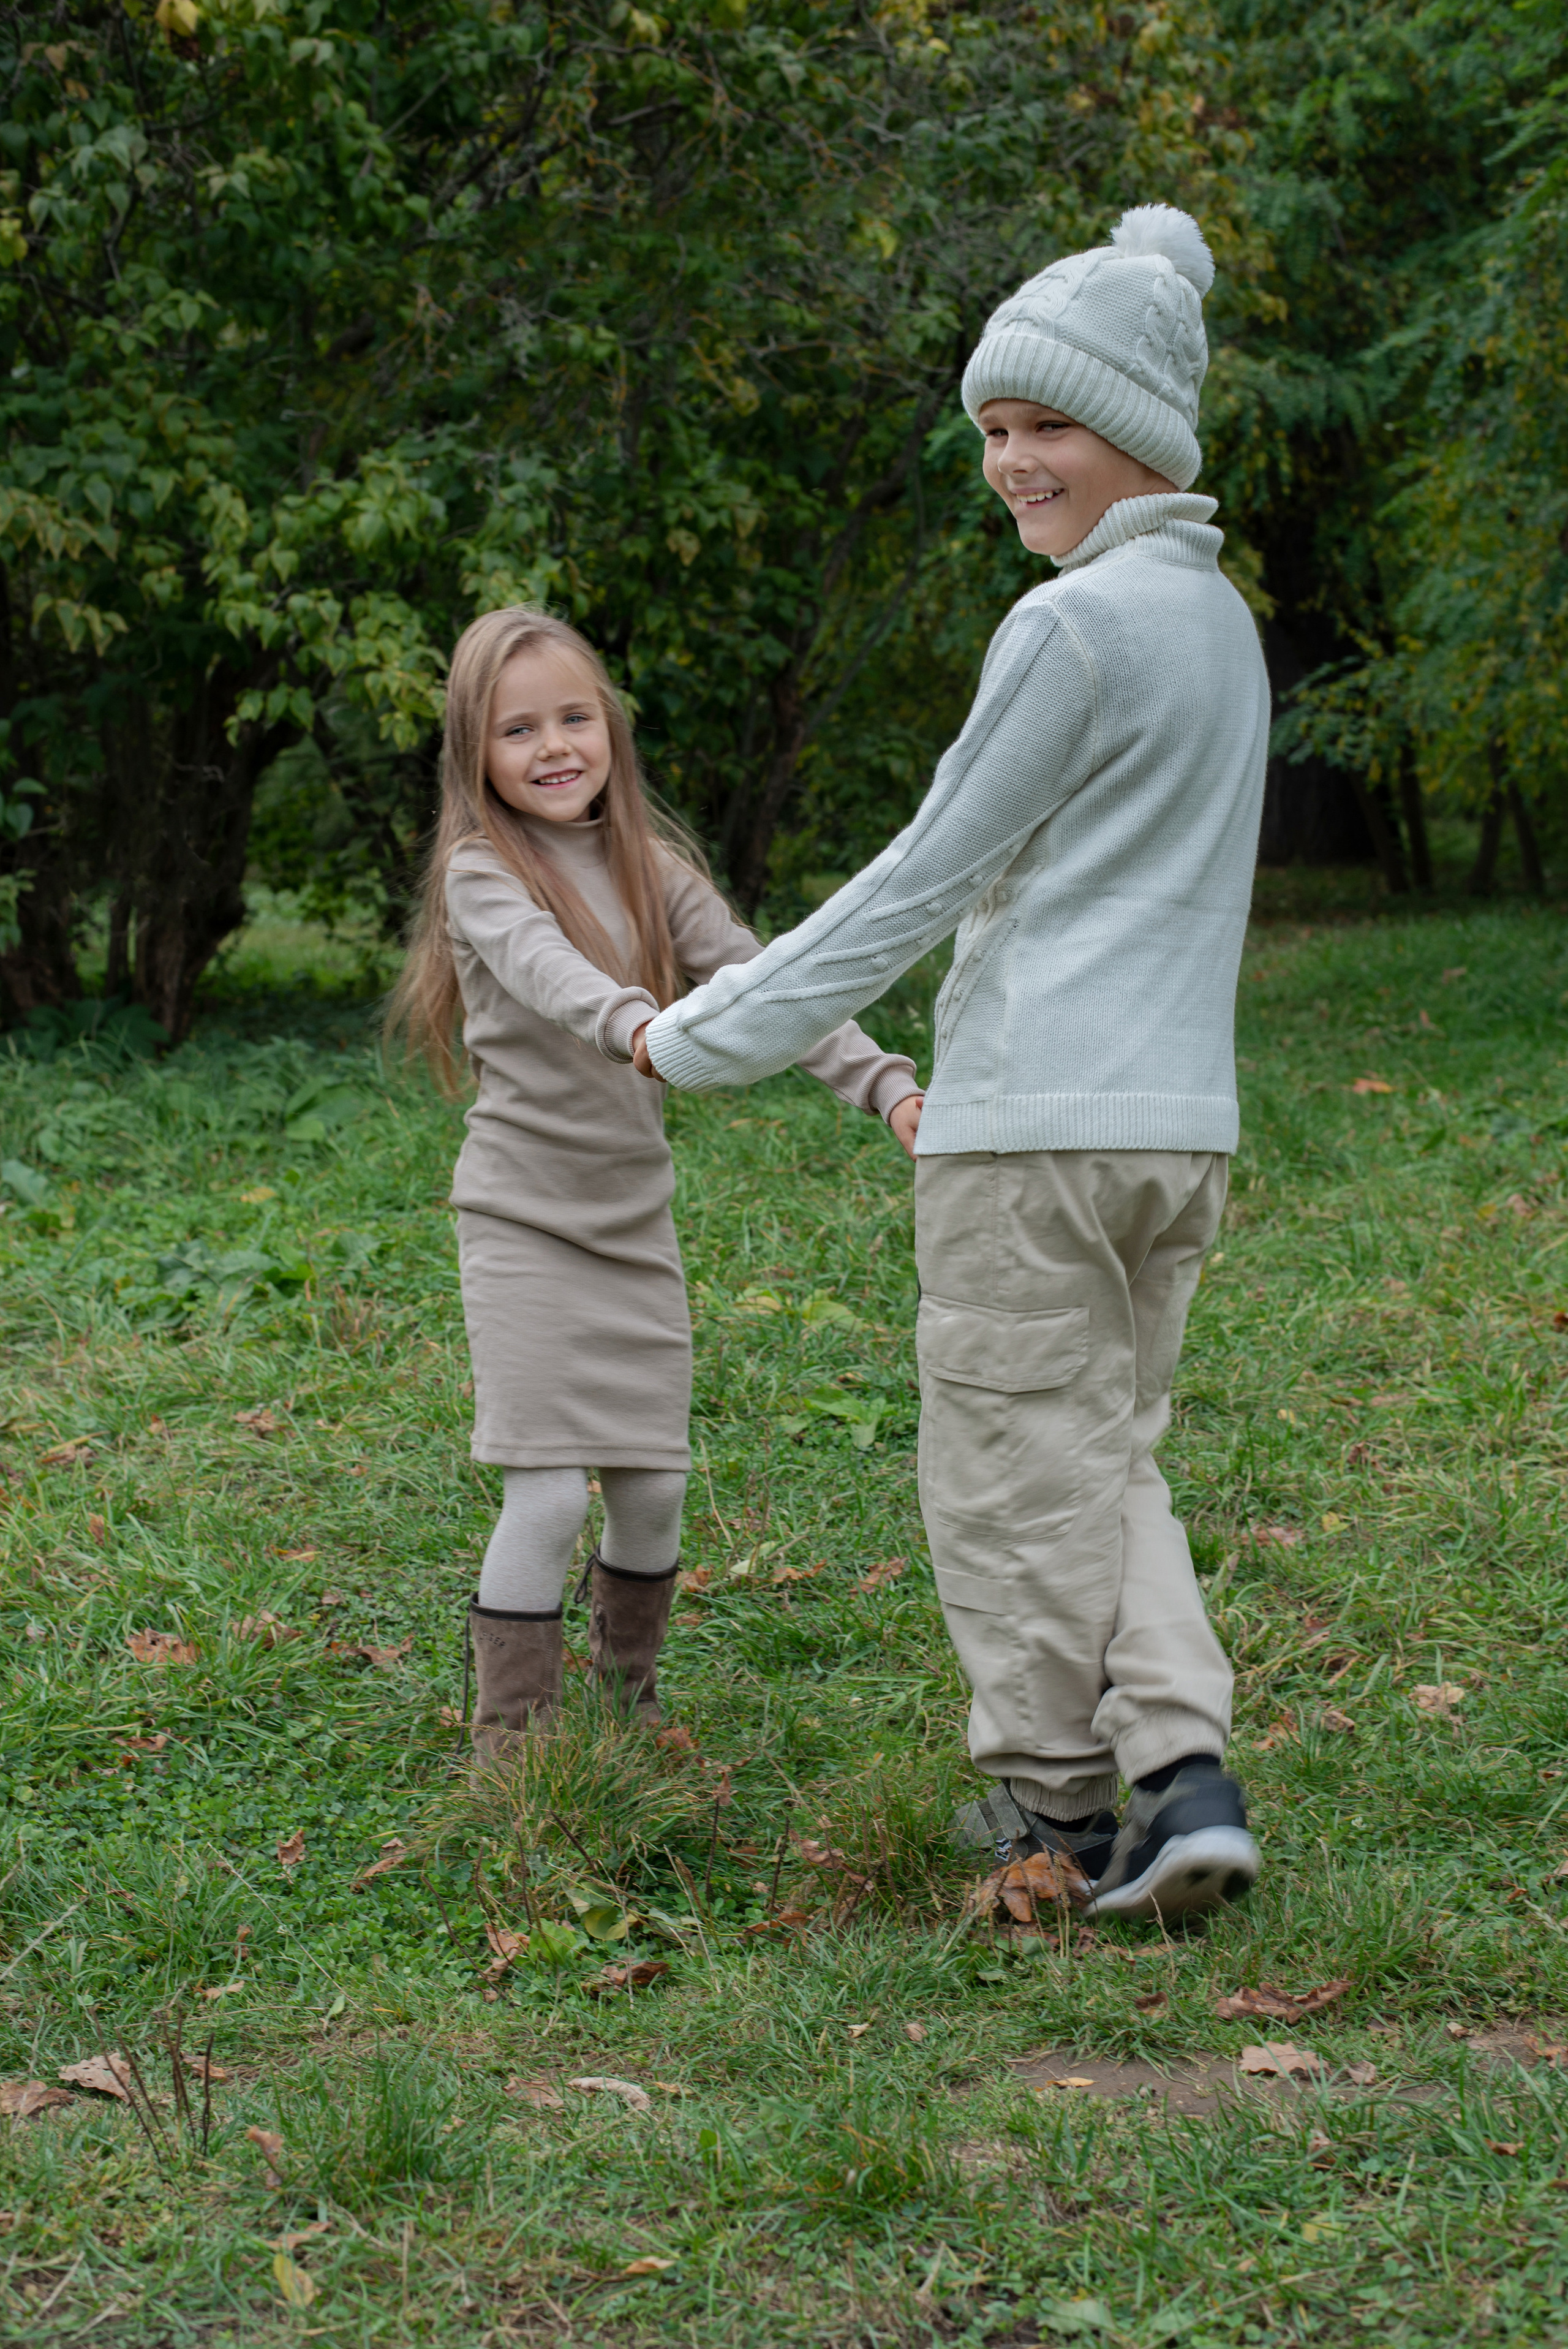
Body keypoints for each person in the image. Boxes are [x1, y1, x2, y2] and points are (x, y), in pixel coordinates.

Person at [633, 205, 1270, 1921]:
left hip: (1031, 1138)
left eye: (1047, 426)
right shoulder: (1218, 625)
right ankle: (1188, 1781)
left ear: (1142, 428)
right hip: (1177, 1136)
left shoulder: (1072, 630)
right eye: (992, 432)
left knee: (1003, 1477)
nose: (1010, 464)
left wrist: (702, 1036)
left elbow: (917, 876)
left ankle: (1059, 1822)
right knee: (1106, 1451)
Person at [389, 607, 922, 1760]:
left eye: (574, 716)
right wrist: (639, 1020)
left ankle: (626, 1705)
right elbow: (549, 973)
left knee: (652, 1493)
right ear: (474, 755)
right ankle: (516, 1753)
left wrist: (887, 1088)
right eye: (517, 728)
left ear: (611, 728)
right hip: (523, 1222)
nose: (554, 745)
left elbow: (770, 985)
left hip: (634, 1226)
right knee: (544, 1494)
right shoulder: (480, 871)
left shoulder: (652, 869)